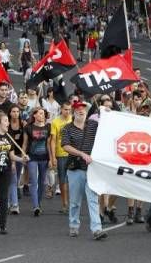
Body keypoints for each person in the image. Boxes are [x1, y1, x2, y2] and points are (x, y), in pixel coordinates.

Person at [62, 100, 108, 240]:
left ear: (87, 112)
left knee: (93, 199)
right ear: (73, 112)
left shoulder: (93, 125)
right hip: (75, 168)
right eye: (77, 109)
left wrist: (107, 113)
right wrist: (81, 154)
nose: (81, 111)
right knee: (75, 201)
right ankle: (74, 225)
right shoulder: (67, 128)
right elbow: (65, 146)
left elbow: (107, 126)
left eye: (83, 109)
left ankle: (96, 229)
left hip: (92, 169)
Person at [22, 107, 52, 216]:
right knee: (34, 181)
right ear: (34, 115)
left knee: (42, 182)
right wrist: (23, 156)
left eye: (43, 114)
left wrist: (51, 159)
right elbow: (25, 143)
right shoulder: (28, 127)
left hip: (44, 157)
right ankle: (35, 206)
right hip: (32, 157)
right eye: (39, 113)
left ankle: (38, 203)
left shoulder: (48, 127)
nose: (41, 115)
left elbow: (49, 144)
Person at [50, 102, 72, 214]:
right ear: (61, 110)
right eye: (65, 109)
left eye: (69, 109)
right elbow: (53, 141)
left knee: (74, 180)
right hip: (61, 154)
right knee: (63, 180)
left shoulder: (73, 120)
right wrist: (53, 156)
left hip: (73, 154)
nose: (67, 112)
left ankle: (72, 204)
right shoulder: (55, 122)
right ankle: (65, 204)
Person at [7, 105, 26, 215]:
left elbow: (25, 140)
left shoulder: (23, 124)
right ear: (10, 113)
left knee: (16, 179)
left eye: (17, 111)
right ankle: (15, 205)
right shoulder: (7, 125)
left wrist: (23, 153)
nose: (15, 113)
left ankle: (9, 200)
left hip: (20, 154)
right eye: (13, 111)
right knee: (13, 180)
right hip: (10, 154)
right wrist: (13, 162)